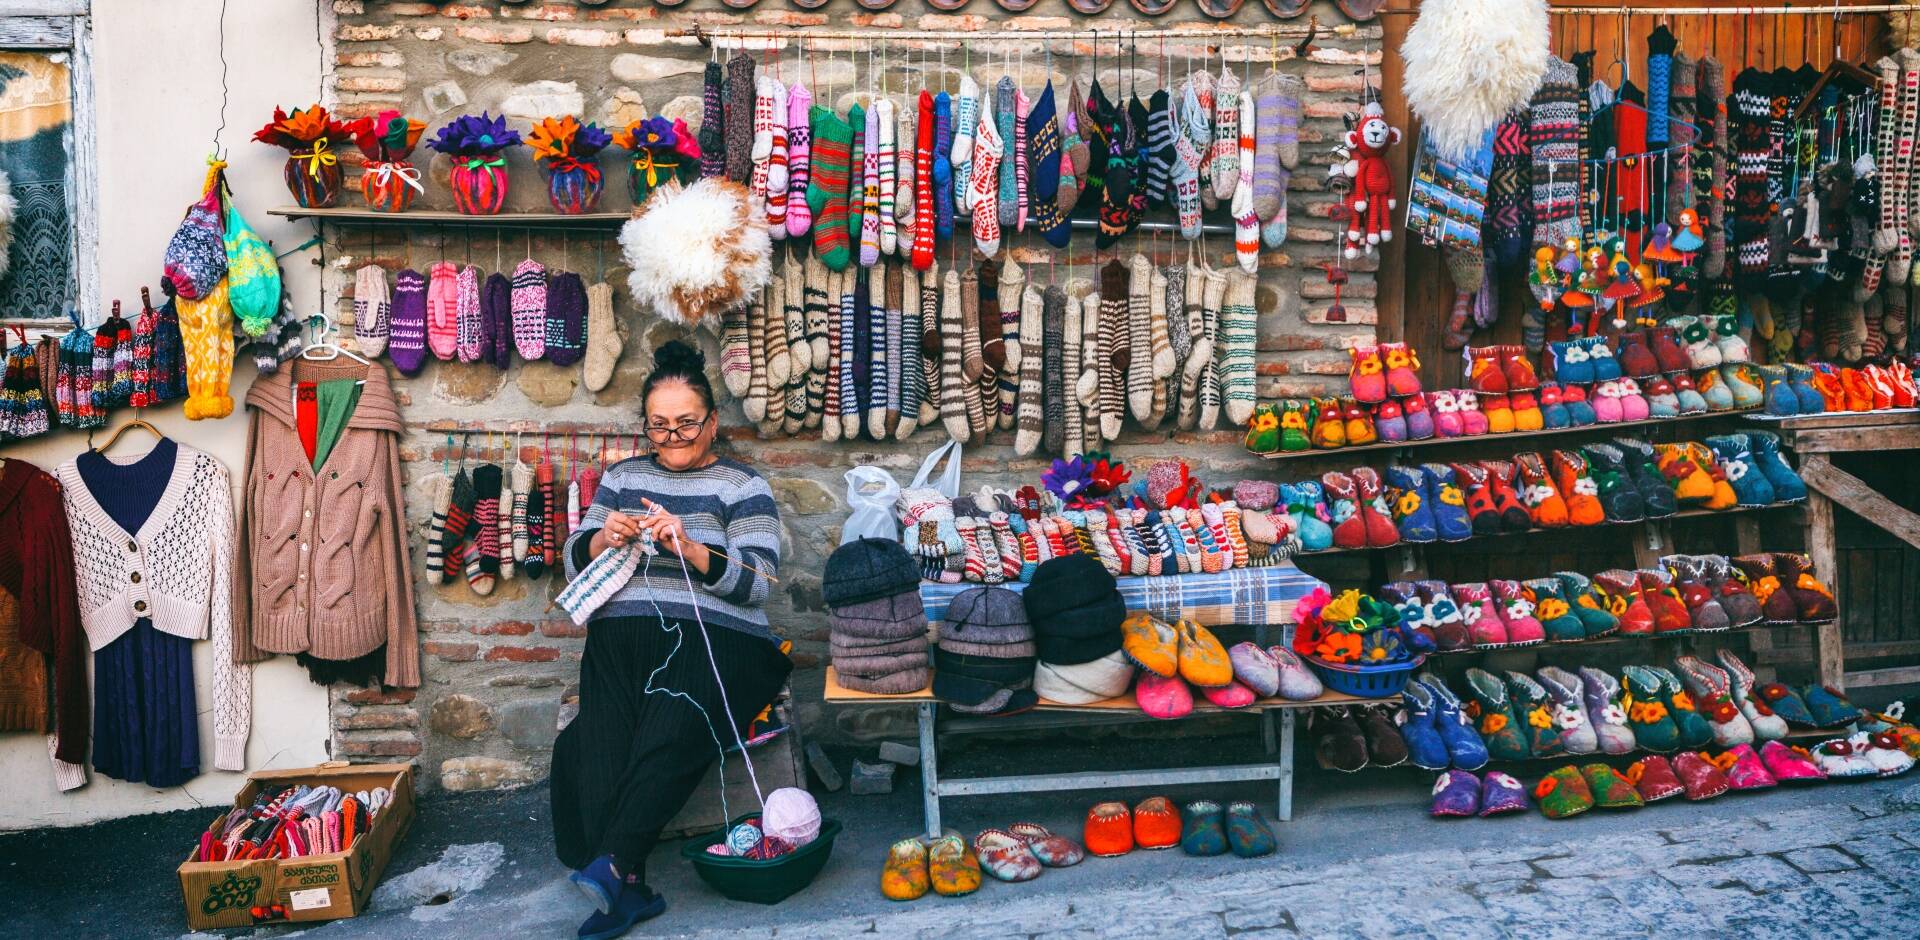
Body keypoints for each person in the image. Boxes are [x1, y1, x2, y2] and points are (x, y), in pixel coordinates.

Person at [550, 340, 790, 940]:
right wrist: (606, 536)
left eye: (687, 424)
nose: (674, 437)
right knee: (597, 736)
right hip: (623, 635)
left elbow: (759, 582)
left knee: (668, 720)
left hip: (719, 640)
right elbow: (574, 558)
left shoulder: (743, 485)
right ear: (646, 427)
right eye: (660, 427)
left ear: (712, 423)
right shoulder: (622, 477)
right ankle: (623, 885)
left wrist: (690, 547)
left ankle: (612, 866)